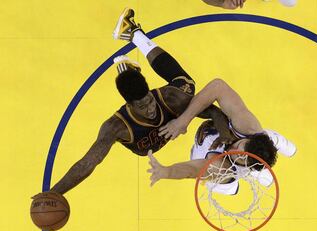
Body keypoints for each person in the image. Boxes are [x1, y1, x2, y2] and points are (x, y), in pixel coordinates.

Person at [39, 8, 231, 196]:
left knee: (186, 84)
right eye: (141, 106)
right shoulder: (116, 127)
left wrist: (222, 136)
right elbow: (88, 162)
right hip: (136, 134)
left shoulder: (170, 98)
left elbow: (214, 112)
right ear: (128, 106)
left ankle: (133, 34)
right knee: (177, 87)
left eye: (148, 100)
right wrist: (55, 193)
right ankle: (130, 55)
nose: (150, 109)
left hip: (174, 96)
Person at [148, 78, 296, 190]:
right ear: (248, 139)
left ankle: (254, 173)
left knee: (223, 188)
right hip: (254, 140)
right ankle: (275, 140)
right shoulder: (248, 127)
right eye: (242, 147)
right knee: (265, 135)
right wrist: (183, 120)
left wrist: (166, 171)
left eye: (243, 159)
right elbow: (218, 87)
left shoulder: (222, 169)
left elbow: (192, 170)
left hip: (216, 168)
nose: (237, 152)